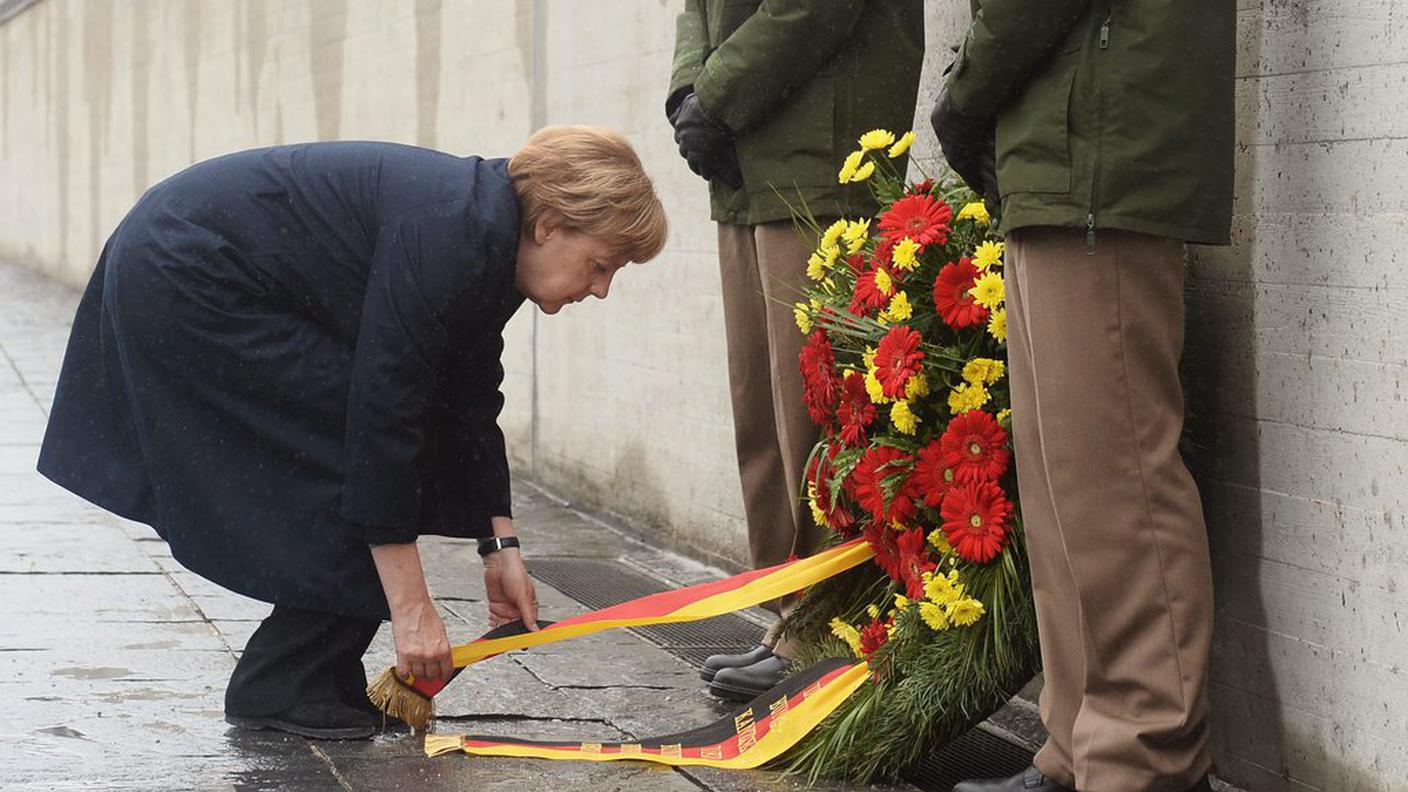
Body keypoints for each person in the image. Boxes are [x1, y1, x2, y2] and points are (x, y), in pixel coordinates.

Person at [37, 127, 668, 740]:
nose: (602, 289)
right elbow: (385, 415)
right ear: (549, 226)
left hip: (196, 258)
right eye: (601, 264)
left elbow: (469, 399)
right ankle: (284, 682)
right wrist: (413, 611)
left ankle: (310, 676)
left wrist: (500, 546)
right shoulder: (452, 233)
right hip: (187, 272)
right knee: (370, 444)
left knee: (397, 443)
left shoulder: (490, 238)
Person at [930, 2, 1232, 791]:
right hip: (1064, 150)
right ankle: (1081, 750)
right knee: (1065, 489)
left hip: (1100, 145)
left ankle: (1147, 760)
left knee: (1114, 480)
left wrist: (968, 91)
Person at [666, 0, 925, 703]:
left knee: (816, 422)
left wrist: (716, 97)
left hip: (820, 157)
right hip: (741, 161)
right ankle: (789, 620)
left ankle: (829, 631)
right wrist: (689, 93)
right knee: (764, 418)